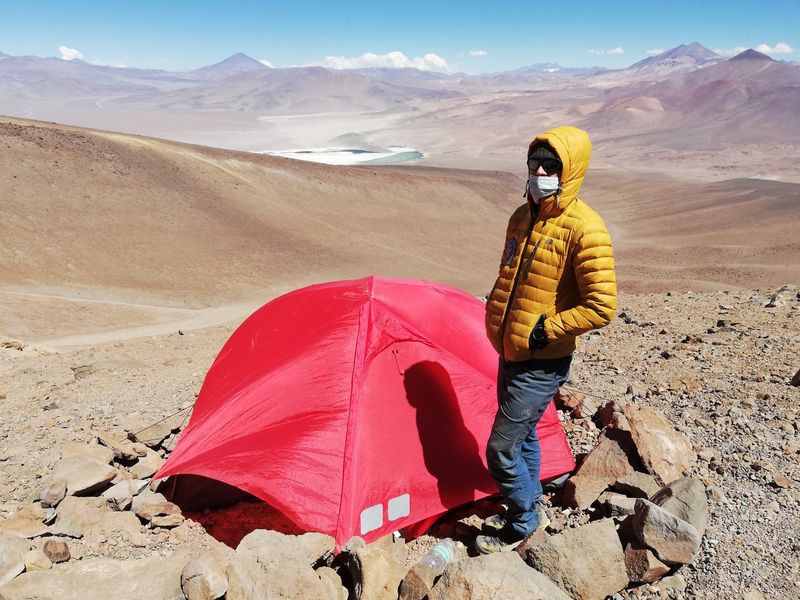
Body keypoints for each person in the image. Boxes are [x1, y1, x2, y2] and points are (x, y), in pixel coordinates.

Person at [475, 125, 617, 554]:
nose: (539, 172)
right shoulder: (521, 217)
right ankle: (532, 501)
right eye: (534, 163)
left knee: (501, 448)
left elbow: (602, 306)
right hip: (510, 349)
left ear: (569, 171)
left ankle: (523, 522)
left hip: (542, 360)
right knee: (526, 435)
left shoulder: (585, 229)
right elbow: (509, 272)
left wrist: (545, 331)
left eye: (550, 165)